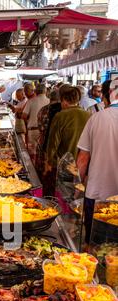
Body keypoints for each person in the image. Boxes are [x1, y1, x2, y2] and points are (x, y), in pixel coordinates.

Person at [77, 78, 118, 245]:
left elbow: (82, 159)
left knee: (95, 244)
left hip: (98, 194)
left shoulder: (97, 118)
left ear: (108, 96)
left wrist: (79, 186)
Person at [44, 86, 90, 197]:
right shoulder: (88, 115)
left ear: (64, 101)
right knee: (79, 195)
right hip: (84, 164)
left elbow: (53, 142)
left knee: (64, 196)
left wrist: (49, 162)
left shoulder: (60, 116)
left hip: (65, 164)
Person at [22, 83, 49, 162]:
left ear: (36, 91)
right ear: (45, 91)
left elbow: (24, 115)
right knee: (43, 152)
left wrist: (30, 119)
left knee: (33, 153)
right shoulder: (49, 101)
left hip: (33, 130)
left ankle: (33, 170)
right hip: (45, 131)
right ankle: (42, 170)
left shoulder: (31, 101)